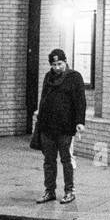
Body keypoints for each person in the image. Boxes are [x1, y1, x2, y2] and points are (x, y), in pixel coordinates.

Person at [35, 49, 86, 204]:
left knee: (66, 160)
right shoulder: (48, 77)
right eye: (54, 64)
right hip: (47, 127)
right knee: (48, 161)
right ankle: (49, 191)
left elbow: (80, 101)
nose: (57, 67)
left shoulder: (74, 77)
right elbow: (43, 99)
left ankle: (69, 191)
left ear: (65, 62)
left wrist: (80, 122)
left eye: (60, 64)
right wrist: (39, 120)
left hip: (65, 127)